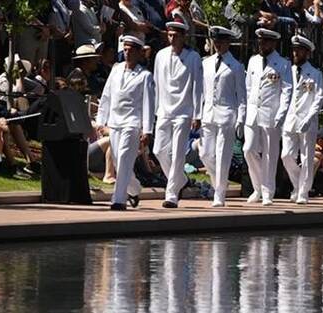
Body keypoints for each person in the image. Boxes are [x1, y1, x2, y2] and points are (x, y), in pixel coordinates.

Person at [96, 35, 155, 211]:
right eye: (125, 49)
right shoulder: (116, 69)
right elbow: (106, 96)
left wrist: (147, 130)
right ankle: (134, 188)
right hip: (115, 122)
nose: (127, 53)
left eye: (131, 50)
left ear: (138, 53)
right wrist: (101, 121)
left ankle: (118, 199)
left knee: (124, 158)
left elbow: (148, 104)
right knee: (117, 160)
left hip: (132, 122)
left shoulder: (145, 76)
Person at [153, 17, 203, 208]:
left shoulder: (193, 57)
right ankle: (179, 179)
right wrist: (157, 110)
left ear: (183, 37)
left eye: (175, 36)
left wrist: (197, 114)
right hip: (165, 110)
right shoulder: (161, 55)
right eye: (170, 35)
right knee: (159, 150)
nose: (172, 39)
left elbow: (198, 87)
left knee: (177, 153)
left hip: (184, 111)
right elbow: (157, 84)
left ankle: (172, 194)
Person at [243, 27, 293, 206]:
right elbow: (248, 88)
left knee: (270, 154)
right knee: (248, 149)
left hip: (271, 113)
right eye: (260, 40)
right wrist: (244, 111)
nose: (261, 44)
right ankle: (258, 186)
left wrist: (281, 114)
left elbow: (287, 91)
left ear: (273, 43)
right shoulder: (253, 61)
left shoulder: (282, 63)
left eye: (265, 41)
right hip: (252, 112)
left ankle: (267, 191)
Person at [199, 26, 246, 208]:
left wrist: (241, 118)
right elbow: (202, 91)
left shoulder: (236, 66)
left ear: (228, 42)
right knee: (205, 153)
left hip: (227, 114)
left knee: (223, 155)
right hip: (208, 113)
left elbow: (241, 96)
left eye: (221, 41)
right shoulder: (206, 63)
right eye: (215, 41)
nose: (217, 44)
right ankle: (220, 181)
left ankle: (219, 194)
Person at [281, 34, 323, 205]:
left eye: (299, 50)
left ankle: (303, 192)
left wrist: (310, 117)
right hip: (289, 119)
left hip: (307, 120)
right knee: (286, 155)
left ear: (307, 53)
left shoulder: (315, 73)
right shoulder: (287, 71)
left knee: (307, 157)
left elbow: (319, 97)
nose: (295, 53)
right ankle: (299, 184)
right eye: (294, 50)